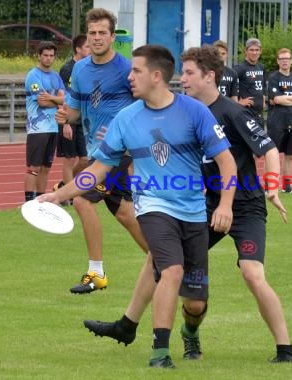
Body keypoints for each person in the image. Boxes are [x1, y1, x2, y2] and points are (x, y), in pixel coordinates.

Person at [82, 45, 292, 364]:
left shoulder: (232, 112)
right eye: (182, 72)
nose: (182, 79)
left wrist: (272, 186)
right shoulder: (179, 111)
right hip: (201, 205)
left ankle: (285, 350)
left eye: (189, 73)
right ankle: (130, 326)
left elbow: (267, 150)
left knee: (253, 274)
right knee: (158, 260)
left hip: (244, 206)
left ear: (210, 76)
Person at [42, 44, 237, 369]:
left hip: (193, 211)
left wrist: (226, 204)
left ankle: (187, 333)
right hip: (152, 208)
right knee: (170, 269)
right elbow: (96, 172)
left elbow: (227, 163)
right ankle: (160, 352)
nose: (129, 76)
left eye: (136, 71)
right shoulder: (126, 118)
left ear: (157, 76)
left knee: (195, 303)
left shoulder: (194, 111)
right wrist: (58, 196)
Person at [55, 8, 149, 294]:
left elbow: (146, 106)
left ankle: (96, 273)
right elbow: (75, 109)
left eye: (102, 33)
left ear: (111, 36)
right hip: (97, 152)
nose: (97, 38)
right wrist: (65, 116)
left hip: (119, 151)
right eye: (92, 33)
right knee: (124, 212)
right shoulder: (80, 70)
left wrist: (127, 133)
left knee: (82, 200)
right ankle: (168, 262)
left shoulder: (126, 70)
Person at [24, 41, 65, 202]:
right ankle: (28, 201)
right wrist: (58, 100)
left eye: (51, 56)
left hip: (53, 127)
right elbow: (41, 102)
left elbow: (65, 99)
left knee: (46, 167)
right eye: (45, 55)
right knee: (34, 167)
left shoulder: (56, 76)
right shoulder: (33, 75)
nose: (48, 58)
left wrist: (52, 98)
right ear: (39, 56)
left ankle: (40, 200)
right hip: (37, 128)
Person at [54, 34, 90, 197]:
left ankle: (64, 186)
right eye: (87, 47)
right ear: (78, 49)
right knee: (69, 159)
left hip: (83, 120)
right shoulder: (67, 69)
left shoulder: (87, 67)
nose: (91, 49)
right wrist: (66, 123)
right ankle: (69, 196)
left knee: (84, 159)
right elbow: (62, 94)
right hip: (69, 119)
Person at [266, 48, 292, 194]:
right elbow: (276, 99)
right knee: (272, 155)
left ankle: (287, 187)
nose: (284, 61)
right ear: (278, 61)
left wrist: (286, 100)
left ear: (291, 61)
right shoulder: (274, 78)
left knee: (290, 156)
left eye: (287, 59)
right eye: (282, 59)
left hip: (291, 121)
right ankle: (269, 186)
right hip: (276, 121)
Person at [234, 38, 267, 128]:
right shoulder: (239, 68)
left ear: (260, 51)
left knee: (261, 141)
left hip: (259, 114)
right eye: (251, 50)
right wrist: (237, 102)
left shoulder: (261, 67)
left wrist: (263, 99)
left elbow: (263, 85)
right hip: (245, 113)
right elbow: (230, 85)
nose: (254, 53)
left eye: (257, 50)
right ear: (246, 51)